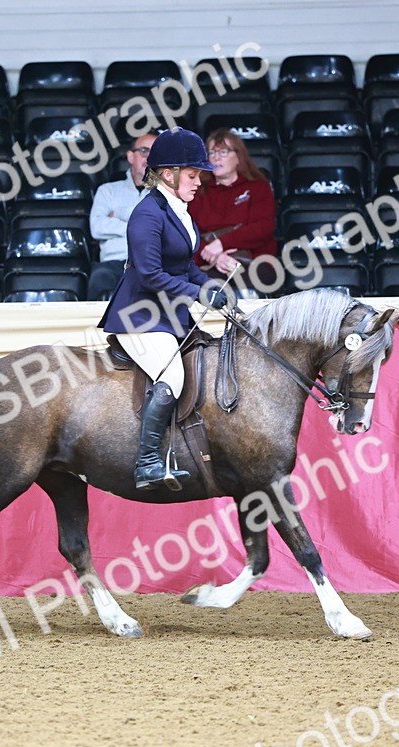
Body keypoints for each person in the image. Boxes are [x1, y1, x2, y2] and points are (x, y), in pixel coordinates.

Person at [97, 128, 233, 492]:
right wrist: (196, 294)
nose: (199, 182)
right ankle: (147, 463)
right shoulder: (147, 214)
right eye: (193, 175)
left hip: (169, 314)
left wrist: (209, 286)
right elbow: (150, 273)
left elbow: (184, 265)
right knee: (172, 376)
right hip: (138, 314)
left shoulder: (179, 211)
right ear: (169, 174)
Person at [188, 128, 278, 291]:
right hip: (210, 263)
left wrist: (222, 244)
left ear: (238, 157)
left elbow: (263, 228)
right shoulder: (197, 192)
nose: (216, 157)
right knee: (207, 288)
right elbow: (187, 234)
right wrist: (214, 257)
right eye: (212, 153)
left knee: (250, 286)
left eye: (223, 151)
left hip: (254, 260)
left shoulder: (258, 187)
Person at [87, 132, 157, 300]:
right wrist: (139, 226)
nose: (149, 158)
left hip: (153, 265)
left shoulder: (166, 194)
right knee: (99, 277)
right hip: (114, 263)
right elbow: (97, 227)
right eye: (144, 151)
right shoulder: (108, 191)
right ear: (131, 156)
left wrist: (118, 214)